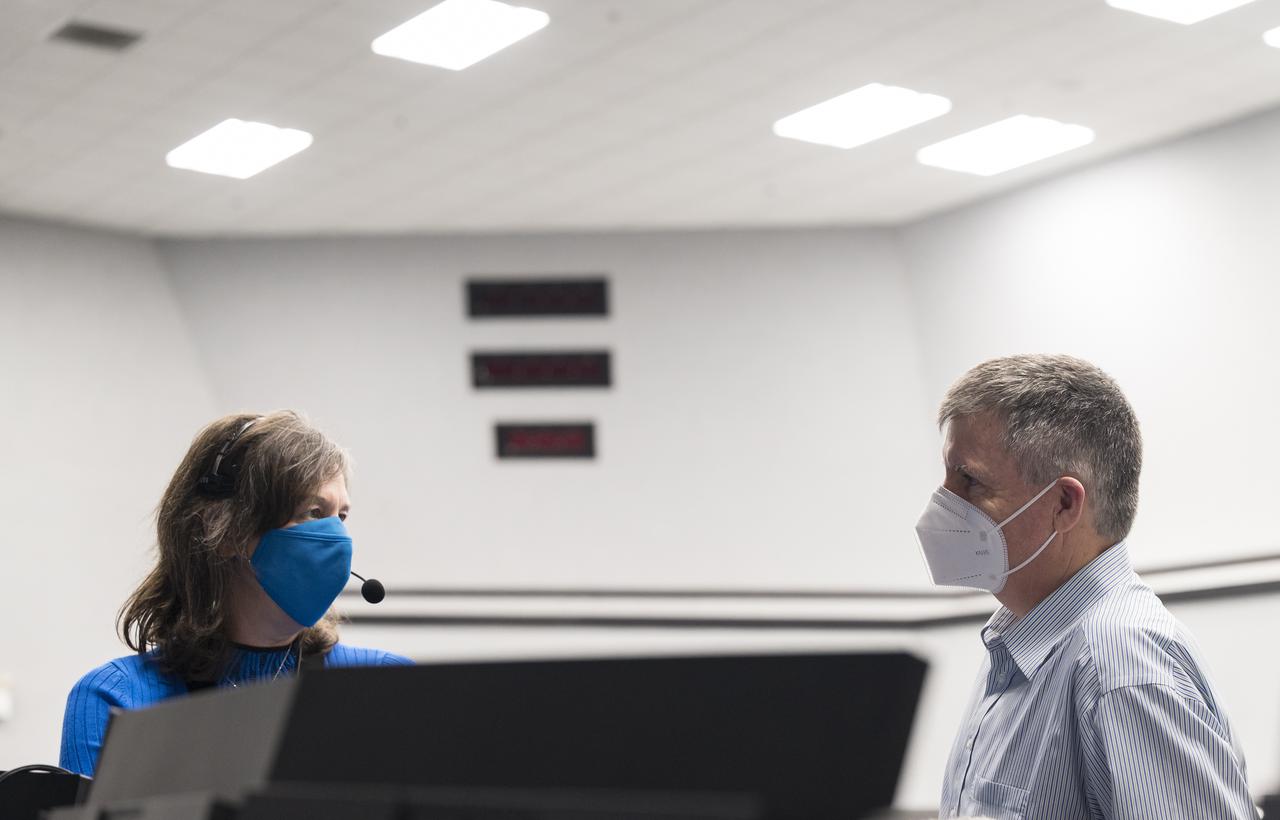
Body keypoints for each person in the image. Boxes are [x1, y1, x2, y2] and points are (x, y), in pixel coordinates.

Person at [916, 355, 1255, 819]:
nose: (944, 502)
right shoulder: (1019, 640)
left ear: (1063, 503)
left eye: (970, 479)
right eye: (948, 475)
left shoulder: (1119, 662)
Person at [59, 411, 411, 777]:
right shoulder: (115, 700)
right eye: (313, 512)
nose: (336, 538)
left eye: (340, 517)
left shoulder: (391, 684)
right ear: (224, 531)